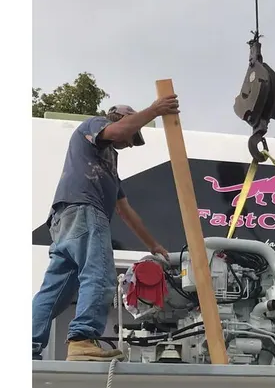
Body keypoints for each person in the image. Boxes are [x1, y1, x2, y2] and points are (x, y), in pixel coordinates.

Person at [32, 96, 179, 361]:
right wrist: (155, 110)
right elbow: (118, 131)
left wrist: (152, 245)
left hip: (67, 218)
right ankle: (82, 340)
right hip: (84, 210)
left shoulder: (108, 164)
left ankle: (28, 345)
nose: (128, 143)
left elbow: (125, 210)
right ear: (120, 119)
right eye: (131, 135)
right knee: (99, 274)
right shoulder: (95, 125)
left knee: (56, 289)